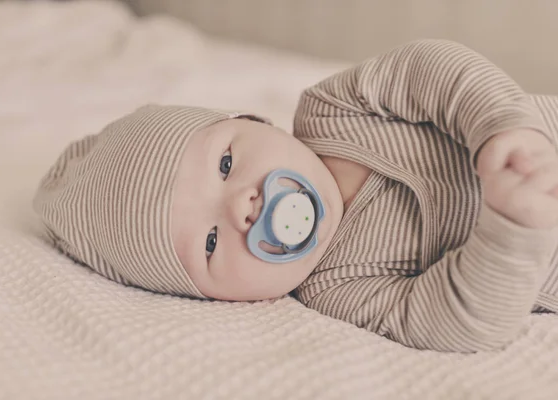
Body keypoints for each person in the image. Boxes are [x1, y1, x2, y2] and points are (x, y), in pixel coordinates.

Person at [33, 39, 558, 353]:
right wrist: (514, 227)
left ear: (255, 121)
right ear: (213, 301)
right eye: (211, 243)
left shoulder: (335, 111)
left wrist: (501, 126)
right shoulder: (338, 288)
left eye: (225, 164)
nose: (242, 207)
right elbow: (458, 322)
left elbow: (433, 69)